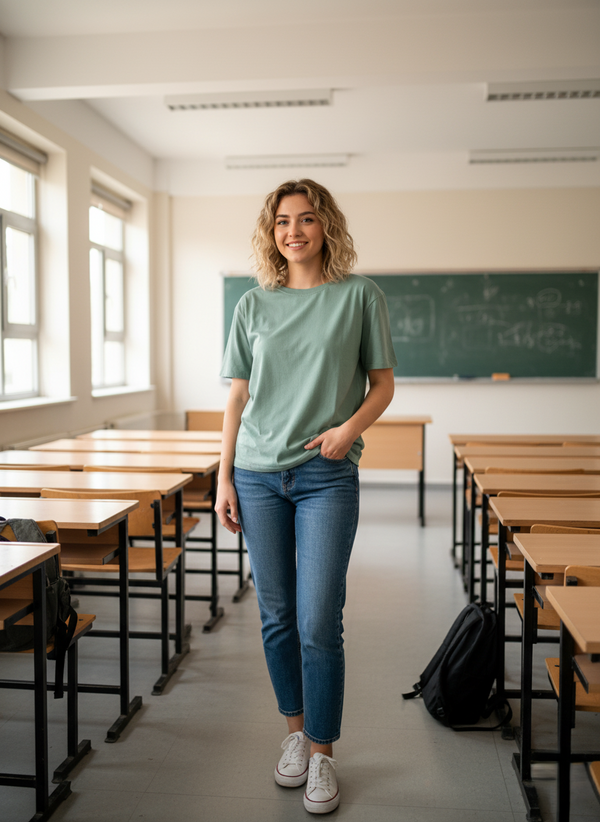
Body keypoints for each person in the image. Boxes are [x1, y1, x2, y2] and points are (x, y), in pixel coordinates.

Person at [215, 179, 397, 814]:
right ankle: (294, 736)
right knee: (277, 617)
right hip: (258, 476)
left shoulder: (359, 296)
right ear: (273, 233)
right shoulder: (251, 306)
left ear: (326, 228)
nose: (294, 230)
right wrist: (223, 476)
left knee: (320, 619)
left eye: (307, 219)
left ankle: (323, 755)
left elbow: (382, 384)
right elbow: (236, 398)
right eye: (282, 221)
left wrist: (348, 431)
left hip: (325, 476)